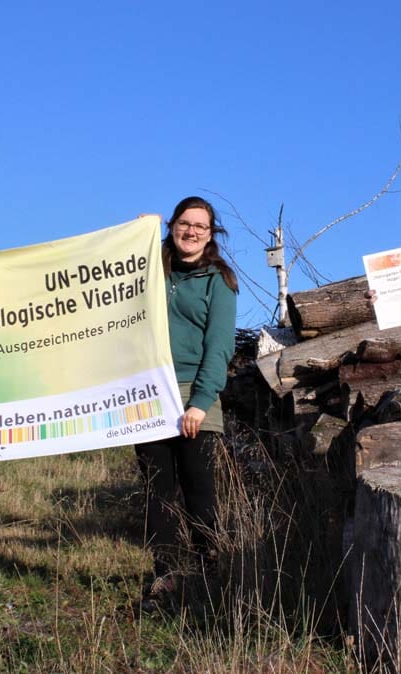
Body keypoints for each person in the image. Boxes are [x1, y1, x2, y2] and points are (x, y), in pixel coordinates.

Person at [135, 197, 238, 613]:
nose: (191, 231)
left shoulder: (219, 281)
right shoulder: (152, 268)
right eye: (184, 223)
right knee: (157, 491)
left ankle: (209, 576)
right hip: (147, 391)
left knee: (199, 490)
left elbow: (220, 347)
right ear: (173, 225)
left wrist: (199, 402)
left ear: (211, 234)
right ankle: (165, 577)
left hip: (195, 393)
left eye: (201, 226)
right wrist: (139, 236)